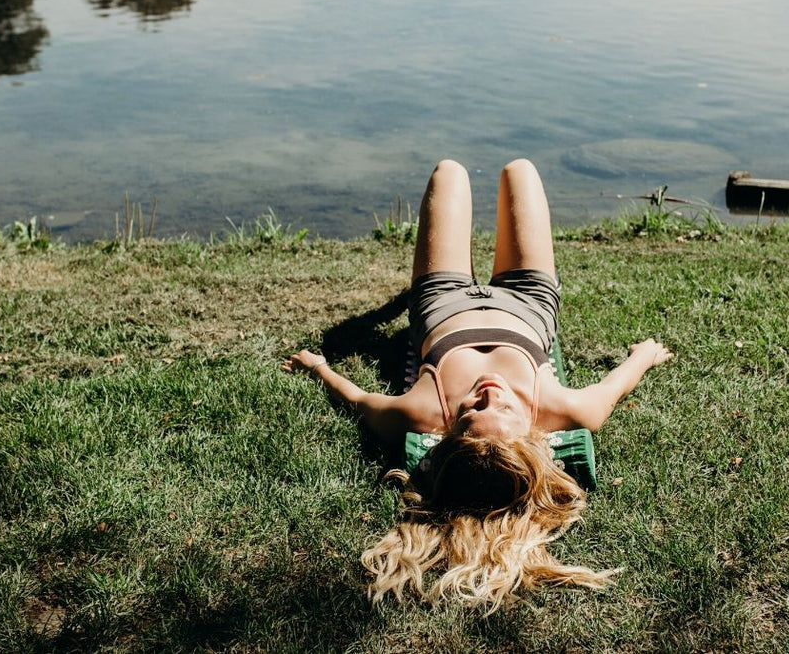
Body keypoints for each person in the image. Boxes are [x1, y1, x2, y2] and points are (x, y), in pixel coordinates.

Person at [284, 158, 672, 611]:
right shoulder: (564, 407)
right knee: (520, 170)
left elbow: (355, 396)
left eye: (471, 409)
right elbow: (617, 384)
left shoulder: (420, 411)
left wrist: (318, 366)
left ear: (447, 435)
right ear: (534, 433)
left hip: (442, 301)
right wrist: (643, 355)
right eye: (503, 408)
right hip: (528, 299)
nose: (488, 390)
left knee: (449, 171)